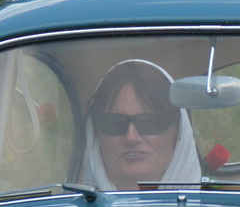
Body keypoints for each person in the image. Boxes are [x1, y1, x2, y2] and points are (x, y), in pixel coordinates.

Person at [82, 60, 201, 191]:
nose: (131, 137)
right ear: (94, 133)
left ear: (178, 132)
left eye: (150, 122)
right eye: (115, 122)